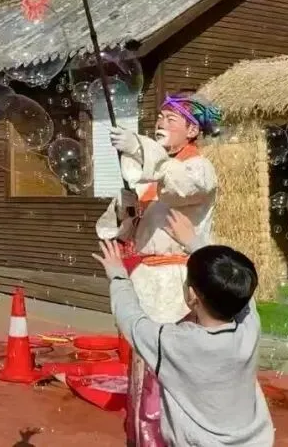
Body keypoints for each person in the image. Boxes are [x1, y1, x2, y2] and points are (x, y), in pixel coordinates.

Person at [95, 91, 221, 446]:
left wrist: (140, 148)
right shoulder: (153, 177)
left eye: (171, 119)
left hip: (178, 284)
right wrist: (126, 211)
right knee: (143, 367)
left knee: (167, 368)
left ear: (192, 130)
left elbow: (182, 186)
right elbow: (122, 231)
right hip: (148, 282)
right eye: (159, 118)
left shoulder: (198, 168)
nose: (160, 123)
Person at [93, 210, 274, 447]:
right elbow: (243, 293)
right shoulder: (249, 327)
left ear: (191, 295)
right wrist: (194, 241)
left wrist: (118, 276)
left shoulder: (174, 343)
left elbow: (132, 320)